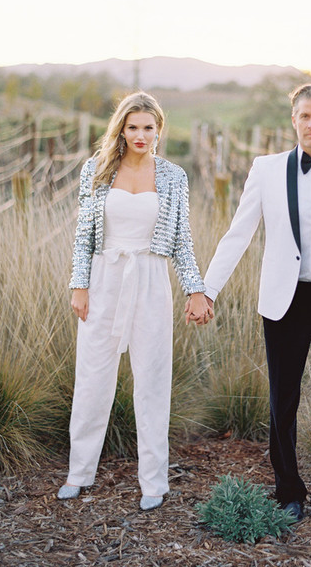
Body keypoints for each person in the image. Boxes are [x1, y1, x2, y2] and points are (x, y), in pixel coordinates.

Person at [192, 82, 311, 524]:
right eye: (305, 116)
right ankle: (288, 491)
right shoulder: (266, 169)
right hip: (284, 302)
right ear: (293, 120)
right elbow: (238, 233)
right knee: (284, 399)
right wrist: (207, 289)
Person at [59, 91, 213, 509]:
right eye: (133, 127)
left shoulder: (173, 176)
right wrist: (79, 284)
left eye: (148, 127)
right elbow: (83, 237)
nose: (140, 135)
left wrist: (195, 289)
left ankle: (153, 482)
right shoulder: (96, 170)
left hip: (150, 279)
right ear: (121, 130)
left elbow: (182, 240)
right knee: (92, 377)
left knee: (152, 379)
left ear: (159, 129)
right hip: (104, 277)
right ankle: (79, 473)